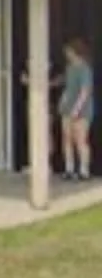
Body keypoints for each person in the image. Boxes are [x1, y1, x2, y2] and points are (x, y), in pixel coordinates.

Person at [59, 38, 95, 181]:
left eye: (69, 51)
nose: (67, 54)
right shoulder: (69, 68)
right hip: (67, 108)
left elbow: (85, 91)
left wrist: (77, 109)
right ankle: (69, 168)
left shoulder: (85, 69)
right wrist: (63, 101)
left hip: (82, 110)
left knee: (81, 140)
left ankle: (84, 170)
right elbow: (68, 88)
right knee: (67, 139)